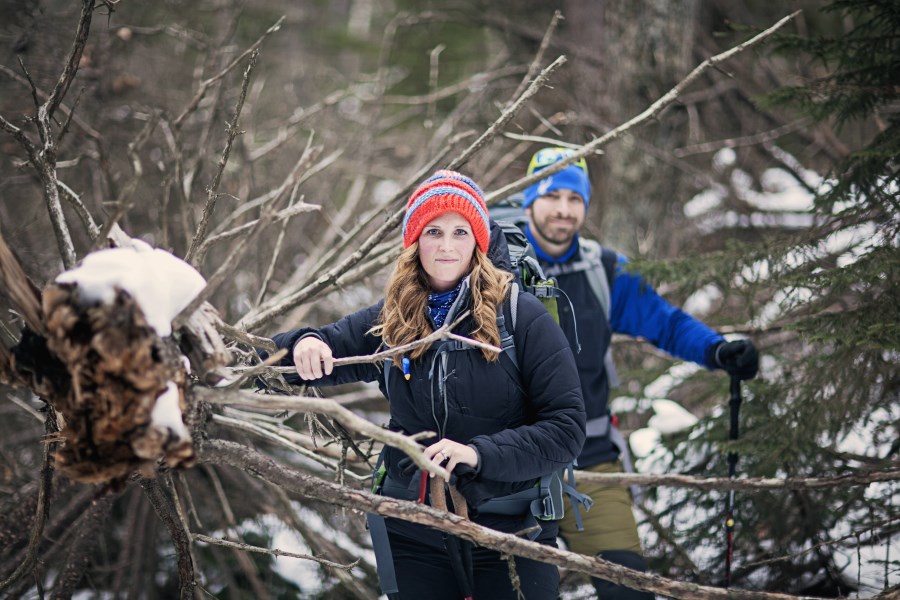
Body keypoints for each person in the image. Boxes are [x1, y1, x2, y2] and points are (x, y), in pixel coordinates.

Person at [270, 170, 586, 599]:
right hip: (413, 526)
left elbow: (566, 429)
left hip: (513, 526)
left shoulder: (521, 316)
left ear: (478, 239)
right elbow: (305, 353)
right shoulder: (394, 318)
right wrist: (303, 342)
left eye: (460, 231)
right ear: (415, 240)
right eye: (433, 231)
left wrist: (478, 454)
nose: (447, 245)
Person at [518, 147, 760, 599]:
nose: (564, 210)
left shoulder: (603, 271)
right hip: (511, 465)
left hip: (588, 462)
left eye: (575, 199)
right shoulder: (498, 267)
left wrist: (717, 349)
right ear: (530, 199)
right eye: (553, 196)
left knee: (628, 588)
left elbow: (664, 322)